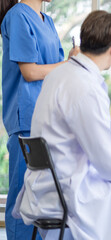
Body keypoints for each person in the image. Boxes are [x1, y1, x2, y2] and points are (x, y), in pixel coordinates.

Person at [12, 10, 111, 240]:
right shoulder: (84, 86)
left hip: (50, 182)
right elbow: (104, 156)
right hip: (70, 188)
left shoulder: (60, 74)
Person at [0, 0, 79, 239]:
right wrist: (68, 63)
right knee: (21, 197)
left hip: (47, 116)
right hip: (26, 116)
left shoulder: (48, 21)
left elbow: (58, 70)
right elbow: (31, 71)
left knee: (40, 197)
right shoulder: (17, 16)